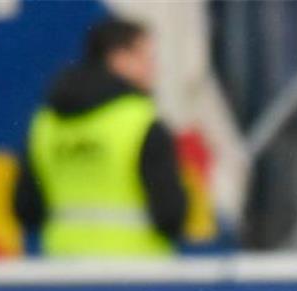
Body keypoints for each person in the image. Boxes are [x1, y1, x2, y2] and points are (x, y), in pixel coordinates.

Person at [15, 18, 187, 257]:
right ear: (118, 58)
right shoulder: (142, 123)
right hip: (137, 273)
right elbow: (171, 215)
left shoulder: (45, 124)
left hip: (64, 269)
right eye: (146, 58)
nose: (154, 68)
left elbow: (26, 209)